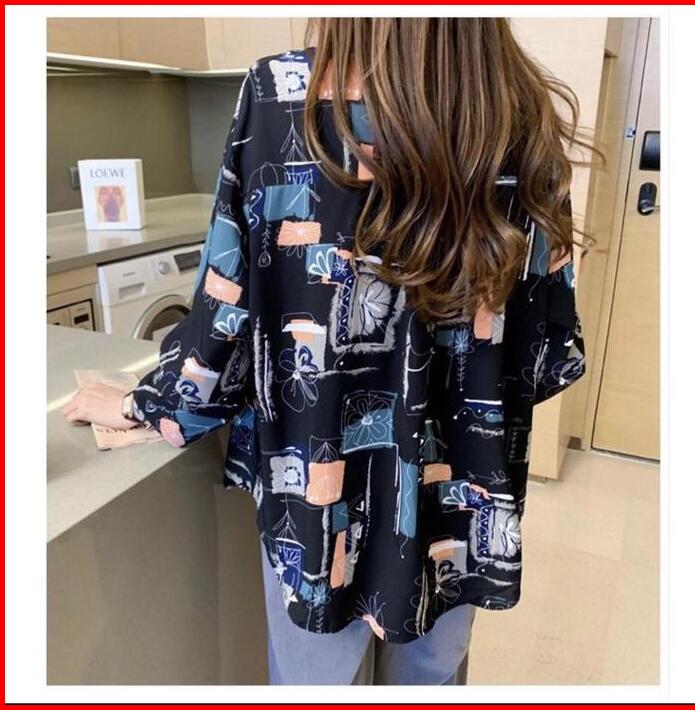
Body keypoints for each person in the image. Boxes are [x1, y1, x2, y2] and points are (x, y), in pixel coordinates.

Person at [62, 18, 591, 685]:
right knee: (432, 677)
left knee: (317, 683)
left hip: (318, 492)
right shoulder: (517, 111)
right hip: (461, 494)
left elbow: (226, 315)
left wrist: (144, 403)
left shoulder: (282, 95)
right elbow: (545, 351)